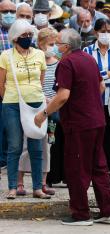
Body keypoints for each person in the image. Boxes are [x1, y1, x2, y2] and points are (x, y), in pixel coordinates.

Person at [34, 28, 110, 226]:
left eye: (57, 42)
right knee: (99, 167)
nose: (55, 46)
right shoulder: (89, 59)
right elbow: (101, 87)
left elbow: (63, 96)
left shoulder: (66, 62)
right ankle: (108, 210)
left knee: (77, 168)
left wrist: (43, 114)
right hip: (97, 120)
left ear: (65, 46)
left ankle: (81, 214)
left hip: (79, 123)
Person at [0, 19, 50, 200]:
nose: (27, 38)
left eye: (30, 35)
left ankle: (37, 188)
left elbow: (41, 81)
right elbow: (1, 84)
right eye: (24, 35)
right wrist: (13, 97)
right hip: (12, 103)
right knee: (14, 145)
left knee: (36, 146)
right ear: (15, 37)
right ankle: (12, 187)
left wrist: (34, 95)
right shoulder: (6, 55)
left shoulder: (39, 54)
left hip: (36, 103)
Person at [83, 18, 110, 187]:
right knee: (95, 139)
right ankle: (95, 173)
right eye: (102, 30)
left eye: (109, 30)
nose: (106, 34)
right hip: (94, 102)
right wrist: (108, 74)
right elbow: (87, 78)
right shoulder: (87, 51)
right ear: (95, 32)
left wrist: (101, 77)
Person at [17, 28, 59, 196]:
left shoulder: (59, 63)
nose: (53, 47)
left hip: (52, 113)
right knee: (26, 145)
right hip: (34, 110)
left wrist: (53, 101)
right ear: (40, 44)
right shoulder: (34, 61)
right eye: (50, 44)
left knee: (49, 144)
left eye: (55, 44)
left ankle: (42, 182)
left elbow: (61, 87)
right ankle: (20, 182)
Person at [0, 0, 16, 176]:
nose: (9, 14)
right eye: (5, 11)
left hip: (15, 87)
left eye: (12, 11)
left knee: (11, 127)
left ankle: (8, 160)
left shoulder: (19, 32)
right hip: (1, 85)